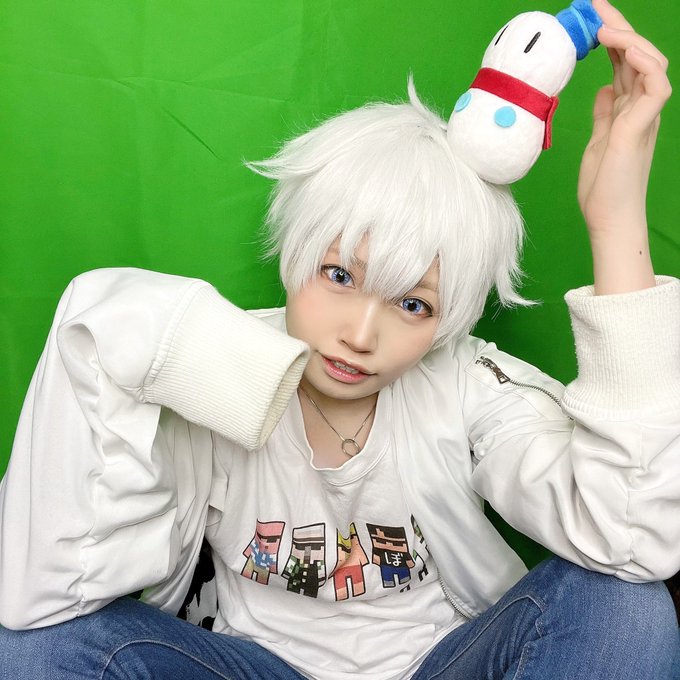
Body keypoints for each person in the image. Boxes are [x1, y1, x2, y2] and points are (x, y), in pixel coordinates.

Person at [0, 0, 678, 677]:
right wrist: (129, 329)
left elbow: (632, 538)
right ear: (295, 254)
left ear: (446, 322)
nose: (359, 334)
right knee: (34, 644)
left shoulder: (465, 384)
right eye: (339, 275)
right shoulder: (207, 365)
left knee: (626, 606)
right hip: (249, 666)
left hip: (436, 667)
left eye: (412, 304)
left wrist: (616, 221)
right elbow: (38, 592)